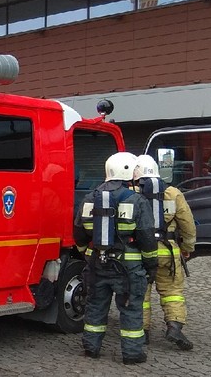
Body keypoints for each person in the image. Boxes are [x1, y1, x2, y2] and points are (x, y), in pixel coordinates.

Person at [74, 152, 158, 365]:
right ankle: (132, 354)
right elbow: (147, 238)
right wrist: (151, 265)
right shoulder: (137, 200)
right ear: (128, 172)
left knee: (95, 305)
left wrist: (86, 253)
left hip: (97, 263)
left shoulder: (90, 198)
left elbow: (78, 232)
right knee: (130, 308)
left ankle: (91, 347)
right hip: (128, 268)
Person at [134, 155, 195, 350]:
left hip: (141, 252)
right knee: (172, 292)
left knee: (141, 294)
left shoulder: (131, 193)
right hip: (168, 251)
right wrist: (187, 248)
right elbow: (188, 225)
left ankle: (142, 333)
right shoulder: (173, 193)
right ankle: (174, 327)